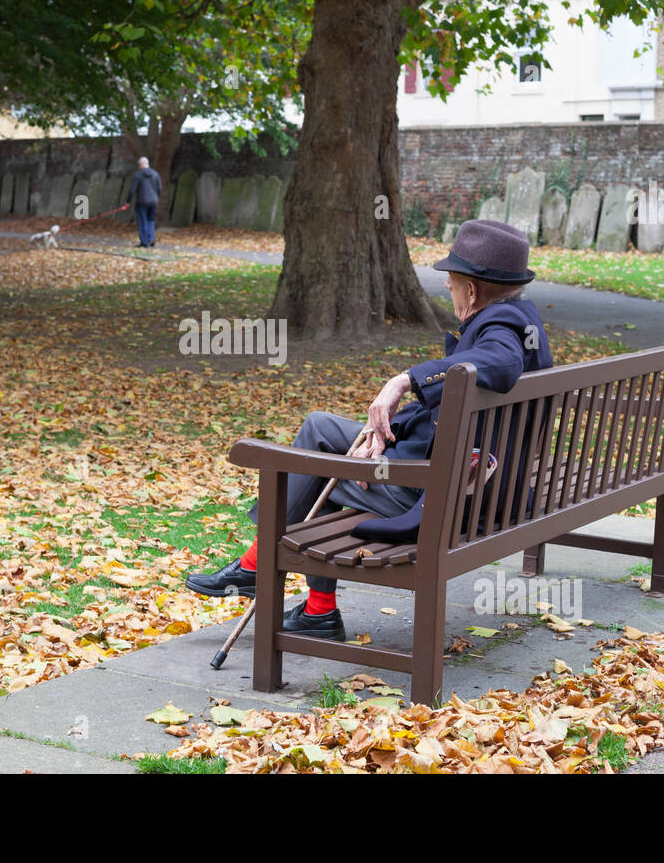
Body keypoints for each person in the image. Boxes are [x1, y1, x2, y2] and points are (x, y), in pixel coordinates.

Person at [185, 218, 554, 640]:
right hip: (475, 480)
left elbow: (501, 364)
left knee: (310, 465)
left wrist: (405, 381)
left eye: (451, 283)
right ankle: (307, 603)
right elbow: (454, 414)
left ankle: (262, 569)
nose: (447, 291)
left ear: (471, 290)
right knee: (320, 428)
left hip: (436, 493)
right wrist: (382, 436)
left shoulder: (500, 330)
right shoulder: (521, 322)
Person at [127, 156, 163, 247]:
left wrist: (127, 201)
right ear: (147, 164)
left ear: (140, 165)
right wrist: (155, 196)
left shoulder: (138, 175)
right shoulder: (155, 174)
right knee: (151, 220)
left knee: (142, 221)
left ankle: (144, 242)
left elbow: (132, 190)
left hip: (142, 202)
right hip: (153, 201)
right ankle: (151, 239)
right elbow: (160, 189)